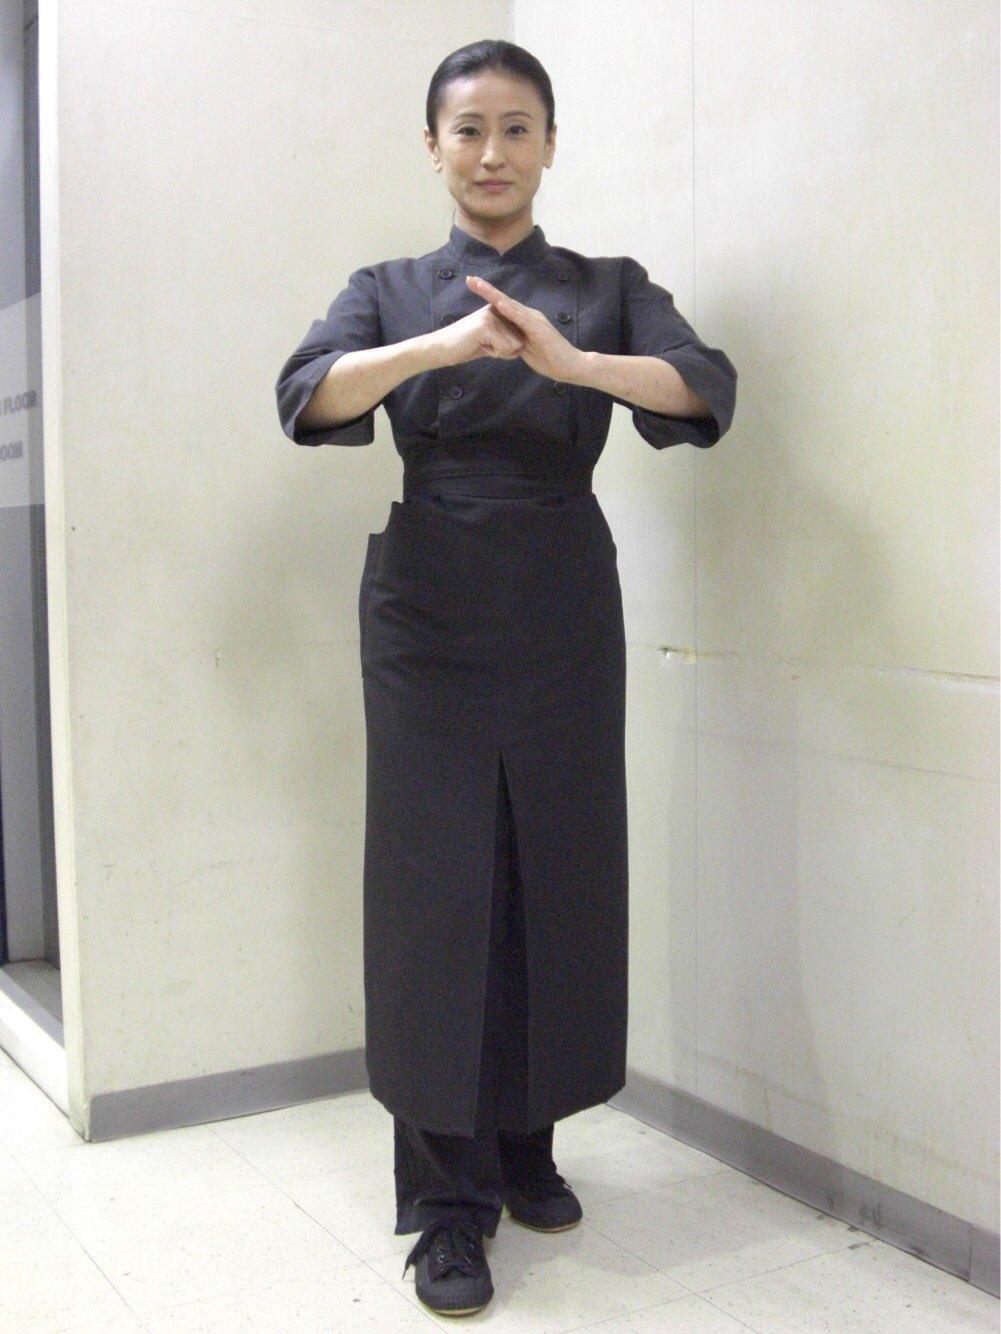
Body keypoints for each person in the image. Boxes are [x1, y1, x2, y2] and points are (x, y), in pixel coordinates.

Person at [275, 38, 738, 1318]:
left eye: (515, 127)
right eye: (467, 128)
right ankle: (443, 1200)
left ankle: (527, 1139)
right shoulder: (387, 287)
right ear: (432, 147)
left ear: (548, 145)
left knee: (557, 865)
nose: (491, 152)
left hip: (560, 596)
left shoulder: (606, 287)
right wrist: (436, 348)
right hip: (426, 604)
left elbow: (701, 390)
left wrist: (569, 364)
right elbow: (307, 396)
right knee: (434, 885)